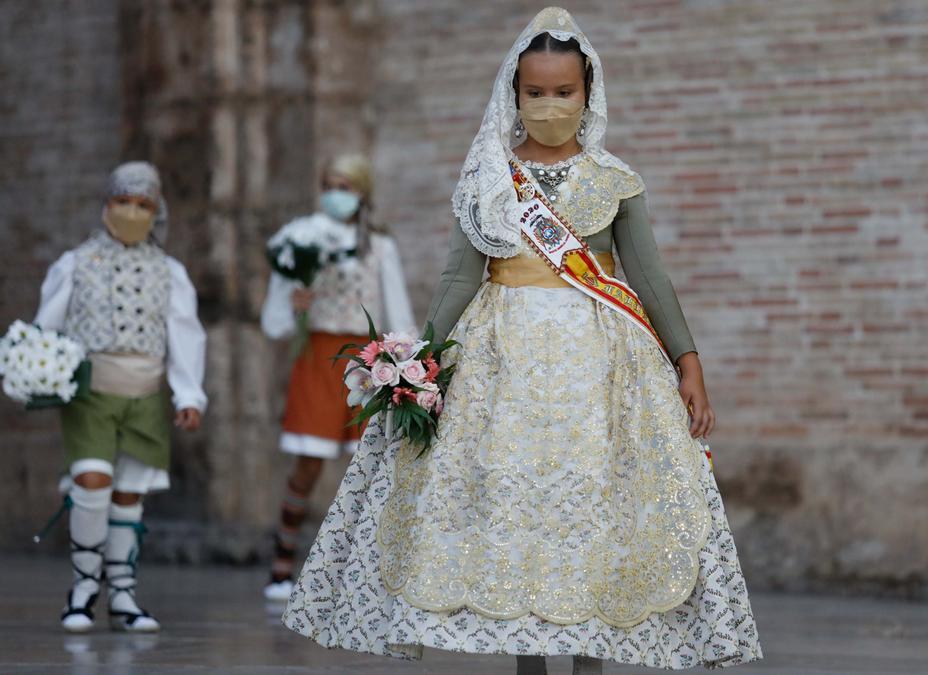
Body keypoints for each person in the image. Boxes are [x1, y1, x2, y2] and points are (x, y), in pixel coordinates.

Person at [284, 8, 761, 672]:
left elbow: (648, 274)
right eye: (534, 93)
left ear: (587, 93)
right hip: (501, 360)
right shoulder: (489, 177)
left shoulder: (614, 180)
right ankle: (528, 664)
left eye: (563, 93)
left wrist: (688, 359)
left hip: (600, 370)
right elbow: (459, 275)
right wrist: (417, 360)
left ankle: (591, 656)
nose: (549, 105)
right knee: (520, 516)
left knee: (591, 509)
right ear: (515, 93)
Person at [34, 161, 207, 633]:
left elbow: (185, 336)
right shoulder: (75, 263)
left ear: (157, 212)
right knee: (93, 482)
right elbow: (45, 328)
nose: (132, 211)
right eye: (123, 202)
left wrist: (188, 394)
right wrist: (35, 372)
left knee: (129, 494)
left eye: (143, 205)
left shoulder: (169, 272)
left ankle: (124, 593)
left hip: (145, 398)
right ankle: (84, 588)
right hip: (92, 395)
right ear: (107, 205)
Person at [260, 153, 416, 601]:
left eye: (345, 187)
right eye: (329, 184)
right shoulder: (299, 243)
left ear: (363, 192)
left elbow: (398, 313)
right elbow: (273, 322)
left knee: (365, 467)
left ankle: (363, 573)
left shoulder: (379, 247)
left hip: (365, 363)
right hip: (317, 357)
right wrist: (297, 304)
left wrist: (405, 363)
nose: (336, 194)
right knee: (307, 464)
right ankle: (281, 564)